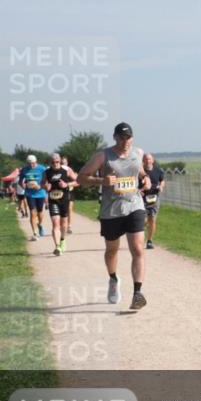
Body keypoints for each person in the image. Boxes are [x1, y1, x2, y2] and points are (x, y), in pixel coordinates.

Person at [78, 123, 151, 310]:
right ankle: (113, 278)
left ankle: (137, 293)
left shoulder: (138, 153)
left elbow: (140, 172)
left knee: (138, 249)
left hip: (134, 205)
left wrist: (146, 179)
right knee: (112, 250)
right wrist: (101, 180)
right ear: (115, 137)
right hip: (111, 210)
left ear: (132, 138)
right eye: (121, 138)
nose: (125, 141)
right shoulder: (103, 156)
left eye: (128, 138)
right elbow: (81, 178)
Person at [43, 154, 78, 256]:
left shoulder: (66, 170)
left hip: (64, 199)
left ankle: (62, 239)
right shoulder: (46, 172)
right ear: (50, 163)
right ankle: (57, 246)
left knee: (64, 223)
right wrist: (45, 186)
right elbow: (41, 183)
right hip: (53, 200)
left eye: (57, 162)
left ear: (60, 161)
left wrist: (67, 184)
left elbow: (78, 181)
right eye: (53, 162)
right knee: (55, 222)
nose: (55, 164)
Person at [20, 155, 48, 241]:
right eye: (29, 163)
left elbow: (47, 181)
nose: (31, 165)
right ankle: (35, 233)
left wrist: (40, 186)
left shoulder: (42, 169)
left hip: (40, 193)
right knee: (32, 213)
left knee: (40, 212)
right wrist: (23, 185)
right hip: (30, 194)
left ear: (36, 162)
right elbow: (20, 181)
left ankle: (40, 224)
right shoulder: (24, 169)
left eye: (33, 163)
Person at [141, 153, 166, 249]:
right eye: (146, 159)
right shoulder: (140, 172)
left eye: (149, 159)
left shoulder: (158, 171)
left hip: (154, 198)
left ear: (153, 160)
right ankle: (140, 236)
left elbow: (162, 180)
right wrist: (139, 191)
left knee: (152, 219)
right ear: (143, 161)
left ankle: (149, 241)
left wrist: (161, 186)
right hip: (142, 198)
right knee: (143, 220)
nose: (148, 161)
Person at [61, 157, 75, 235]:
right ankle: (63, 226)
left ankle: (69, 226)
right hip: (61, 193)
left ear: (67, 163)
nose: (63, 164)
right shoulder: (58, 171)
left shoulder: (70, 170)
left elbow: (76, 181)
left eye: (65, 163)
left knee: (69, 208)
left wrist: (69, 185)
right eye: (62, 163)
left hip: (69, 191)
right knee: (63, 209)